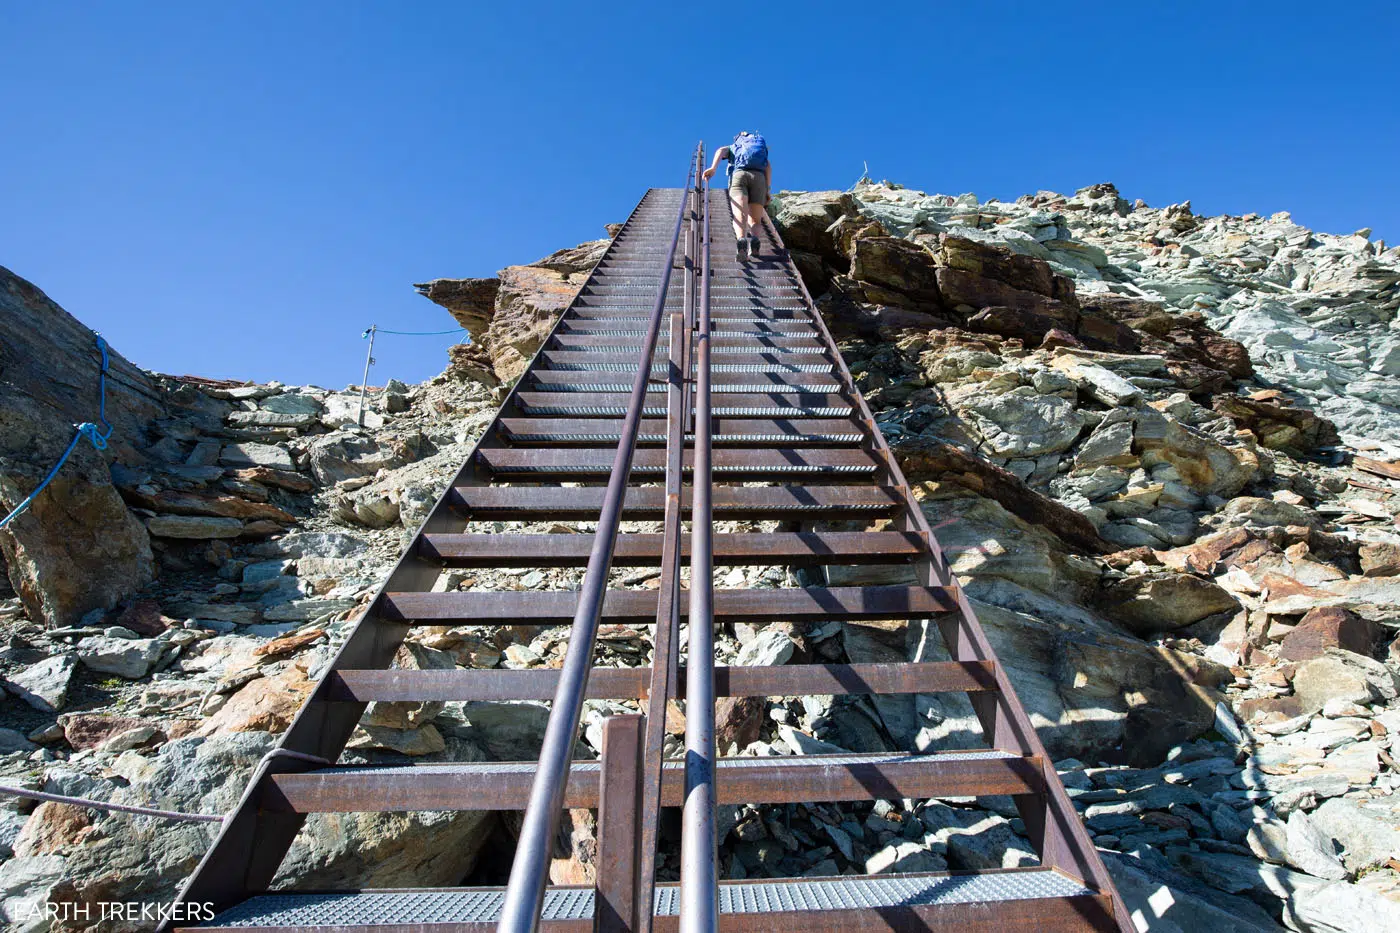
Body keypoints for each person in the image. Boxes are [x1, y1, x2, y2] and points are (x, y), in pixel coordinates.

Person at [701, 132, 771, 260]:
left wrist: (713, 168)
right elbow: (768, 167)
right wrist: (767, 190)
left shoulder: (734, 147)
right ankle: (754, 240)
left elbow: (721, 150)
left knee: (739, 213)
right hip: (759, 178)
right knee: (755, 219)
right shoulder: (760, 150)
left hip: (739, 176)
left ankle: (741, 240)